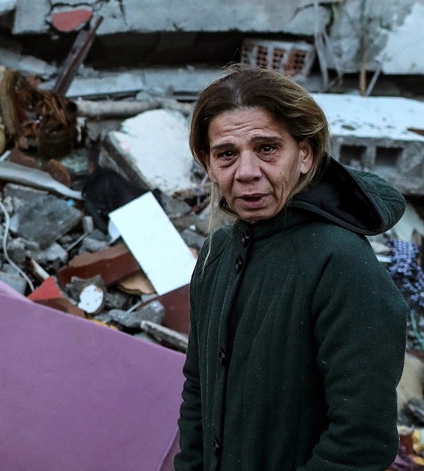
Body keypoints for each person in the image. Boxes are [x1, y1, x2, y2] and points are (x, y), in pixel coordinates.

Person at [175, 64, 409, 471]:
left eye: (267, 148)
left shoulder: (341, 262)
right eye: (227, 154)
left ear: (305, 154)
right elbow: (198, 392)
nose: (247, 173)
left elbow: (360, 442)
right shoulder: (217, 254)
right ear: (208, 164)